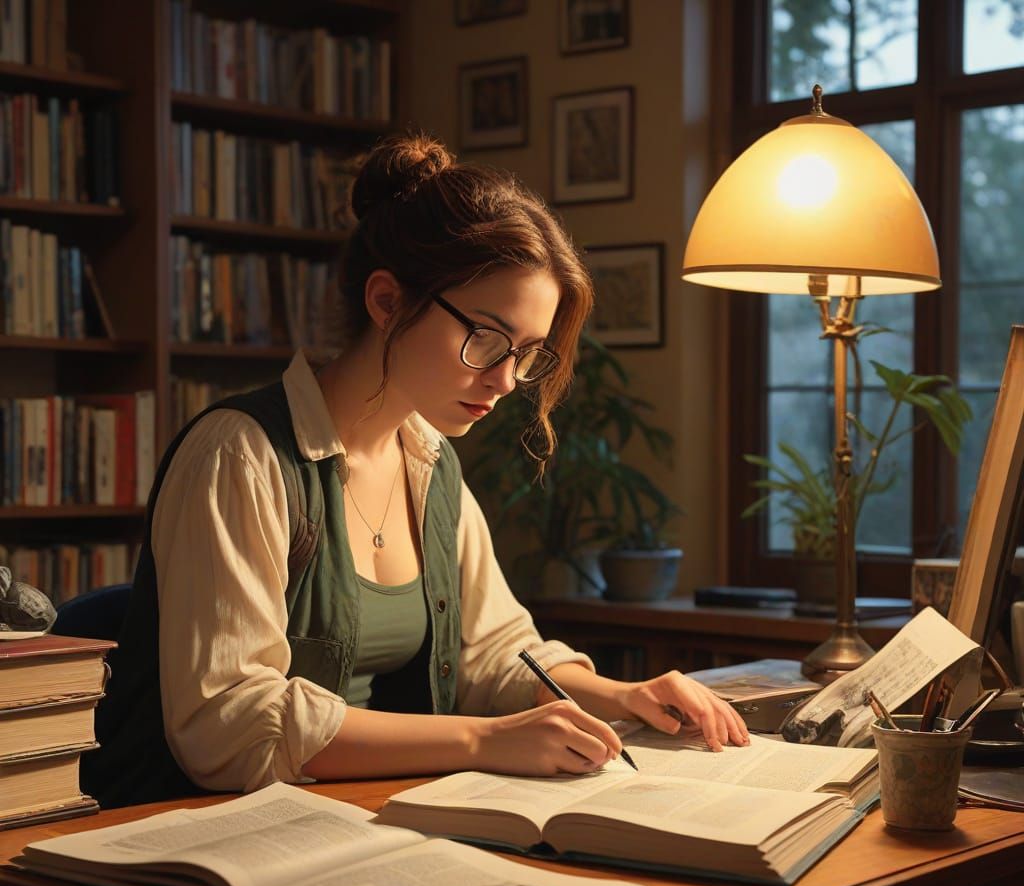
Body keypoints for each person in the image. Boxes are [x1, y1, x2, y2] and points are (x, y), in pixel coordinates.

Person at [83, 132, 747, 809]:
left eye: (526, 353)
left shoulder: (429, 462)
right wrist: (482, 741)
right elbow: (228, 725)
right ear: (386, 301)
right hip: (190, 837)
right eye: (485, 339)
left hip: (359, 818)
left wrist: (623, 696)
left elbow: (493, 652)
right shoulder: (240, 455)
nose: (506, 379)